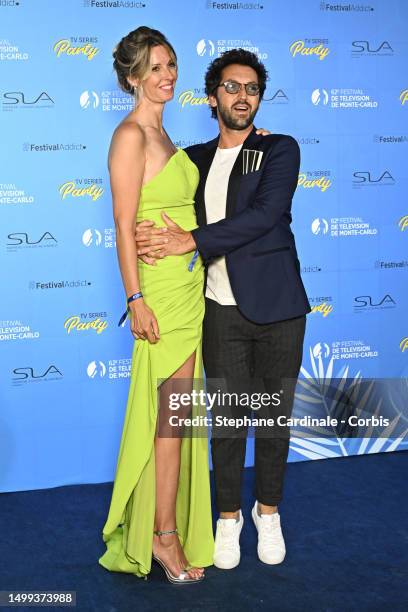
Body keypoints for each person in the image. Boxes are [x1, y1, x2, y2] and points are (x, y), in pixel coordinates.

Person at [135, 49, 311, 570]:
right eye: (231, 87)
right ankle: (229, 517)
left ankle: (269, 513)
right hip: (218, 310)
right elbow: (159, 202)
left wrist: (189, 240)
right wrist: (147, 237)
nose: (242, 96)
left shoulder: (280, 149)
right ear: (212, 97)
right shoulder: (192, 159)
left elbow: (263, 216)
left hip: (279, 307)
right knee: (230, 421)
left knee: (274, 419)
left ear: (259, 97)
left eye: (252, 88)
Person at [98, 26, 214, 584]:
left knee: (178, 417)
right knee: (169, 418)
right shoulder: (130, 137)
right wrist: (135, 297)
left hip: (191, 289)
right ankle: (162, 538)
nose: (167, 75)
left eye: (171, 65)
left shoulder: (167, 138)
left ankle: (162, 527)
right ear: (131, 77)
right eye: (155, 67)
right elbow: (123, 226)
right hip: (160, 294)